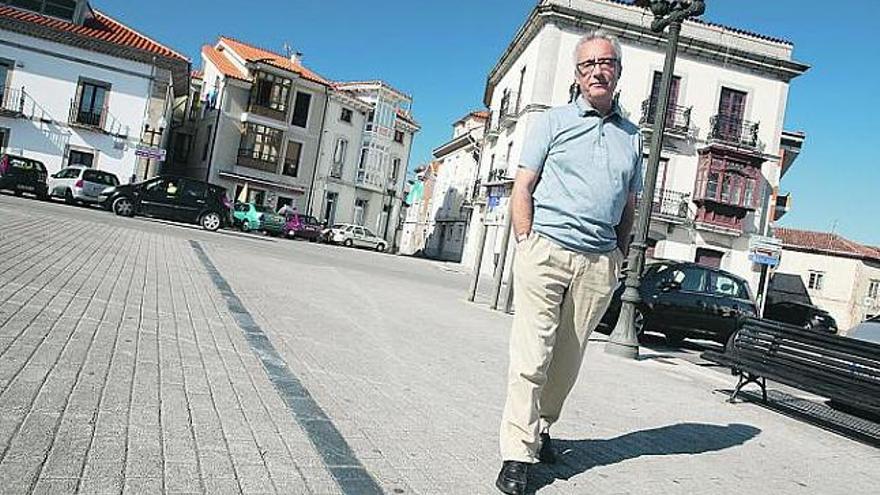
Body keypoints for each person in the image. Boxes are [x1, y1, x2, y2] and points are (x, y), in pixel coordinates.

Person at [495, 30, 643, 495]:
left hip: (599, 263)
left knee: (566, 364)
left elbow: (629, 206)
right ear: (577, 76)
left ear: (618, 71)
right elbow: (523, 185)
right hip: (547, 252)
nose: (597, 70)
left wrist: (619, 254)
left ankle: (539, 429)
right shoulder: (552, 123)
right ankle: (516, 455)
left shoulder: (633, 136)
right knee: (531, 358)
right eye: (587, 65)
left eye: (606, 63)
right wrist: (525, 241)